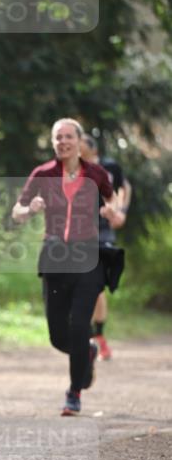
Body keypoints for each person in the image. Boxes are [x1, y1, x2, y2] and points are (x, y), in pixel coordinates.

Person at [12, 118, 117, 416]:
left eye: (68, 137)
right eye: (58, 138)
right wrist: (28, 209)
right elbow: (17, 210)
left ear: (79, 141)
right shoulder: (42, 173)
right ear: (53, 141)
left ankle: (74, 393)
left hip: (88, 258)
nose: (63, 142)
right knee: (59, 336)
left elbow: (114, 199)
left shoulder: (96, 174)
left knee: (79, 325)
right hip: (55, 258)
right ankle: (88, 351)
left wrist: (113, 211)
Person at [79, 132, 131, 359]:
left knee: (95, 283)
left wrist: (122, 212)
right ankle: (92, 336)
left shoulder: (109, 167)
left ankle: (97, 336)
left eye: (80, 147)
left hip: (103, 230)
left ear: (93, 150)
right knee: (83, 282)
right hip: (79, 229)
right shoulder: (72, 169)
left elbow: (125, 187)